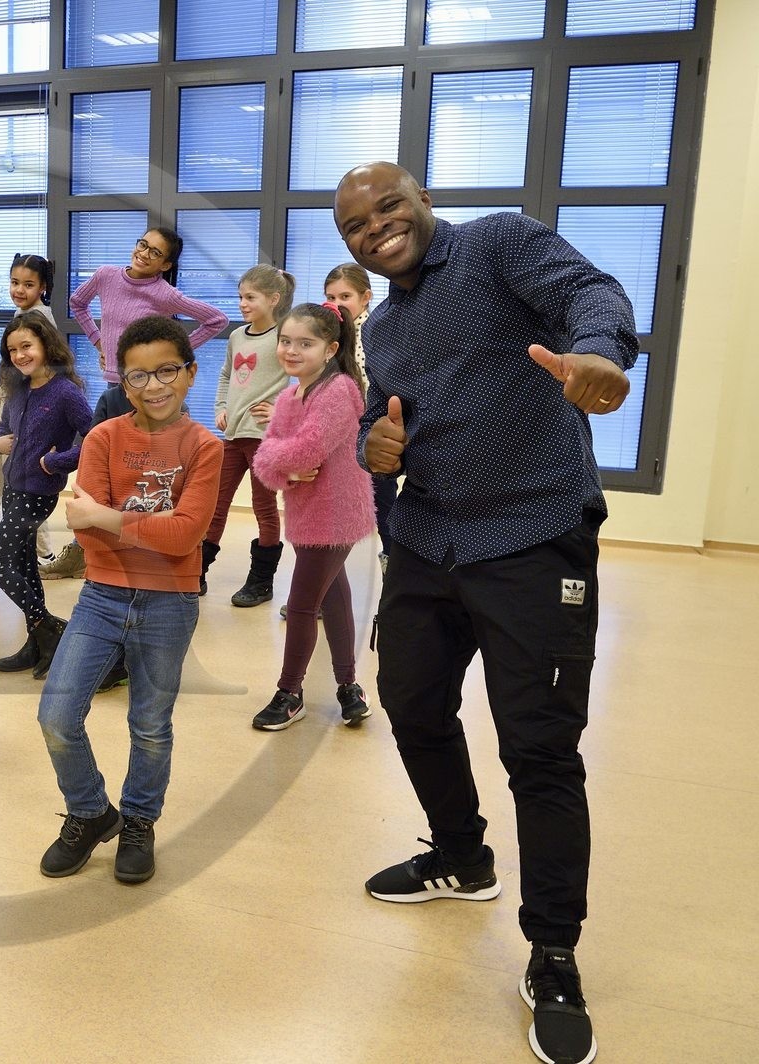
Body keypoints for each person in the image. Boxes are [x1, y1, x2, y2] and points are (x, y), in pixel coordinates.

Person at [338, 161, 636, 1064]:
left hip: (532, 530)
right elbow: (383, 428)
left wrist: (602, 356)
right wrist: (373, 446)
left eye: (388, 206)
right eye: (355, 225)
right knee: (414, 707)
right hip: (429, 542)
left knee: (538, 747)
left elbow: (593, 290)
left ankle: (552, 952)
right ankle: (461, 858)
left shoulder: (499, 244)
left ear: (422, 196)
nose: (376, 228)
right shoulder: (379, 326)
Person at [35, 315, 222, 885]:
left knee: (149, 724)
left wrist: (112, 517)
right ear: (121, 381)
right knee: (57, 715)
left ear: (190, 373)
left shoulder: (205, 447)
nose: (153, 386)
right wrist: (138, 523)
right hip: (102, 594)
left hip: (170, 602)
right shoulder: (103, 437)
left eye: (167, 370)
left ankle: (139, 821)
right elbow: (83, 530)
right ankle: (92, 812)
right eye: (137, 376)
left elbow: (186, 536)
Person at [248, 302, 374, 731]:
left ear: (330, 348)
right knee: (334, 597)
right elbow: (270, 463)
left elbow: (305, 450)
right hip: (304, 513)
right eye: (285, 341)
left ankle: (290, 693)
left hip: (335, 516)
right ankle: (349, 688)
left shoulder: (339, 391)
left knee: (302, 606)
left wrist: (274, 457)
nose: (291, 350)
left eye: (306, 343)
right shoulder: (289, 395)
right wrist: (278, 462)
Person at [0, 313, 92, 681]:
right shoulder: (17, 388)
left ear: (46, 344)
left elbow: (93, 440)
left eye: (26, 346)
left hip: (38, 493)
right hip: (13, 486)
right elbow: (0, 429)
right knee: (26, 567)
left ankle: (50, 629)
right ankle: (38, 642)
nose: (19, 355)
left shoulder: (65, 391)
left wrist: (56, 461)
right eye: (12, 349)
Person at [205, 265, 293, 603]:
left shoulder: (284, 338)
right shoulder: (237, 336)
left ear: (273, 299)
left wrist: (281, 414)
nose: (242, 303)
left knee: (264, 507)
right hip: (232, 437)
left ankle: (261, 583)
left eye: (250, 297)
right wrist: (220, 409)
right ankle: (196, 572)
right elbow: (227, 375)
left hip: (263, 440)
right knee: (216, 504)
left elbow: (305, 382)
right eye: (241, 296)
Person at [0, 253, 57, 574]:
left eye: (28, 284)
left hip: (17, 405)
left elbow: (39, 369)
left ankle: (36, 552)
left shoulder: (38, 320)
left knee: (12, 475)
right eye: (15, 282)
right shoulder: (25, 313)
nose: (19, 289)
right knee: (3, 474)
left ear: (43, 286)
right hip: (9, 399)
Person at [67, 225, 228, 395]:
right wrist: (100, 343)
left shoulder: (164, 294)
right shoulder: (105, 275)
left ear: (165, 265)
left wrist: (170, 353)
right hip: (114, 384)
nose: (144, 254)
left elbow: (217, 320)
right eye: (143, 245)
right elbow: (77, 303)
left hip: (146, 386)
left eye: (155, 253)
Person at [324, 262, 394, 570]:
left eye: (345, 296)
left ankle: (394, 592)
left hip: (370, 441)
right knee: (333, 522)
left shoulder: (375, 331)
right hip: (339, 442)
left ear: (365, 297)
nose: (337, 304)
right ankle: (324, 592)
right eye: (331, 297)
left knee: (385, 515)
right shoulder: (330, 336)